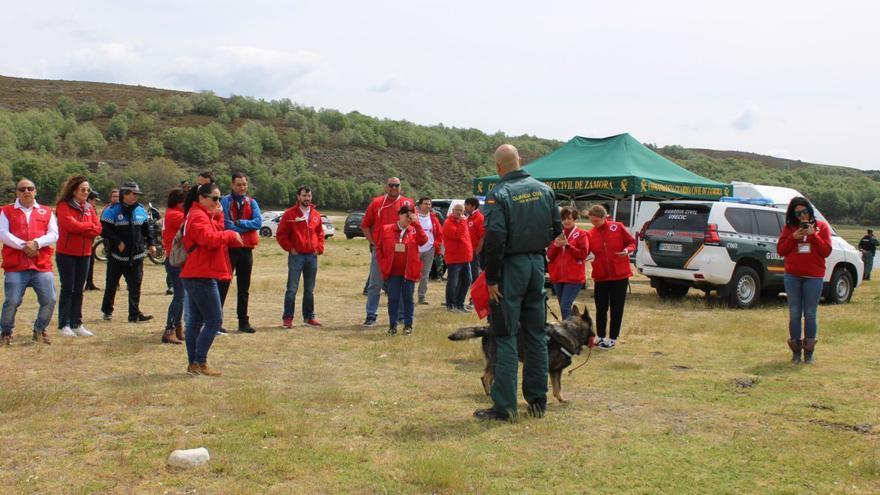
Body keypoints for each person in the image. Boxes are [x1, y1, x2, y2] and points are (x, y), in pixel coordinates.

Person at [475, 144, 561, 421]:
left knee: (506, 335)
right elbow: (556, 229)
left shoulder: (498, 194)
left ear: (498, 167)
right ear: (519, 161)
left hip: (510, 268)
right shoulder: (545, 190)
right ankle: (538, 402)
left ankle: (505, 407)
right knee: (536, 334)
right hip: (537, 264)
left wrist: (493, 277)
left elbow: (496, 238)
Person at [181, 183, 244, 376]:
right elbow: (208, 238)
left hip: (197, 272)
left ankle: (194, 363)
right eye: (215, 199)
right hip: (201, 274)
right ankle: (199, 361)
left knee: (195, 322)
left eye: (219, 199)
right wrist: (231, 234)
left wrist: (216, 216)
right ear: (201, 198)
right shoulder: (198, 216)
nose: (218, 203)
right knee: (214, 320)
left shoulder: (201, 214)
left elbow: (213, 232)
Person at [0, 178, 58, 345]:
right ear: (17, 192)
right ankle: (5, 331)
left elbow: (54, 234)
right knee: (12, 300)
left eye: (30, 188)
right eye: (22, 189)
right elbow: (2, 233)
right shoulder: (6, 211)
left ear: (35, 191)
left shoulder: (47, 211)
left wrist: (37, 243)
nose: (26, 191)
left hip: (41, 264)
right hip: (16, 265)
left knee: (50, 299)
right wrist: (24, 246)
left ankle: (40, 330)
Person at [777, 197, 832, 364]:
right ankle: (796, 353)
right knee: (794, 314)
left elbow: (826, 251)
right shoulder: (789, 228)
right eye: (798, 213)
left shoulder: (821, 227)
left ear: (810, 211)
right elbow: (781, 250)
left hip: (814, 277)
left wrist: (813, 236)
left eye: (804, 212)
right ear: (793, 215)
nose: (802, 216)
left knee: (810, 314)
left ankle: (809, 353)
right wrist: (793, 237)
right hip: (793, 276)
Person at [360, 177, 413, 326]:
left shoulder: (408, 203)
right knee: (375, 284)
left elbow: (413, 225)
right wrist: (374, 243)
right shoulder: (377, 203)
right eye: (391, 185)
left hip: (402, 251)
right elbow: (365, 225)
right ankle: (371, 315)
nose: (394, 188)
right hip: (382, 251)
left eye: (396, 185)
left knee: (402, 283)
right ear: (386, 187)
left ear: (401, 187)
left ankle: (402, 316)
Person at [55, 175, 102, 337]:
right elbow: (70, 225)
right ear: (74, 190)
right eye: (83, 189)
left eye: (88, 190)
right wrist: (88, 227)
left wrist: (85, 227)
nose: (86, 192)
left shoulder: (89, 207)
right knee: (68, 288)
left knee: (79, 290)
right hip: (67, 253)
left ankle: (77, 323)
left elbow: (98, 228)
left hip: (85, 253)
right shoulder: (63, 206)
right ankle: (64, 324)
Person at [100, 181, 155, 323]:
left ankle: (134, 314)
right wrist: (118, 242)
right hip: (117, 257)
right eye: (133, 194)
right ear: (124, 194)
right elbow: (105, 230)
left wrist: (151, 243)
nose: (136, 197)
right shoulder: (111, 211)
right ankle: (107, 311)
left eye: (137, 194)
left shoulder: (140, 210)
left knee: (135, 286)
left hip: (136, 257)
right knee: (111, 285)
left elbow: (146, 229)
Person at [586, 204, 635, 350]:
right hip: (601, 275)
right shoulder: (590, 234)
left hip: (619, 274)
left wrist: (627, 250)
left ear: (603, 218)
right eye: (591, 221)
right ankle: (600, 336)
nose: (593, 224)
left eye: (596, 221)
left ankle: (613, 338)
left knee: (616, 307)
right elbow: (585, 251)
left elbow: (632, 242)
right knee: (601, 307)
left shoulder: (617, 227)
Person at [219, 172, 262, 334]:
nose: (242, 187)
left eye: (244, 184)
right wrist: (245, 227)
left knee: (244, 288)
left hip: (246, 250)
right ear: (232, 185)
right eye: (239, 184)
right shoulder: (224, 201)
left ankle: (243, 322)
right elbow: (226, 225)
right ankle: (216, 321)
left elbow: (258, 222)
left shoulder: (252, 202)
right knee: (222, 285)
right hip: (229, 249)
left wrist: (241, 223)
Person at [276, 186, 324, 329]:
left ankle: (309, 317)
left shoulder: (315, 214)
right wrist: (290, 248)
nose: (307, 198)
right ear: (298, 197)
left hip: (312, 256)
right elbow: (281, 234)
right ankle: (288, 318)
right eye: (304, 196)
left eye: (309, 196)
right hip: (296, 256)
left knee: (309, 289)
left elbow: (320, 233)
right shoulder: (290, 214)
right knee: (292, 288)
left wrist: (319, 248)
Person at [375, 204, 427, 335]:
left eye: (411, 216)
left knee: (408, 299)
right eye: (406, 215)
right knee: (393, 299)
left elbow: (424, 241)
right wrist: (383, 264)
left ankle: (408, 325)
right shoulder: (387, 229)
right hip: (393, 272)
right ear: (399, 215)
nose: (408, 219)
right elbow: (379, 248)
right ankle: (392, 325)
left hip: (409, 272)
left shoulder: (414, 231)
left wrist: (417, 224)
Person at [547, 206, 589, 320]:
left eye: (569, 218)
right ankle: (572, 327)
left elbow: (583, 254)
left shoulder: (581, 234)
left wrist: (568, 246)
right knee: (563, 306)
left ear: (574, 219)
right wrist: (556, 246)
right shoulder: (557, 234)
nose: (566, 221)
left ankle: (568, 331)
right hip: (558, 276)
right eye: (564, 219)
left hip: (574, 277)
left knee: (565, 305)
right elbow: (549, 256)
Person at [160, 188, 186, 345]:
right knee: (179, 297)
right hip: (175, 260)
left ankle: (176, 327)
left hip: (172, 258)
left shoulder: (170, 213)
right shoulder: (176, 215)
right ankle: (170, 329)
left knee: (180, 297)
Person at [442, 203, 472, 312]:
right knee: (453, 283)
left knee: (467, 281)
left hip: (465, 258)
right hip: (454, 258)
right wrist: (464, 222)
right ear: (453, 210)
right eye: (457, 210)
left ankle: (460, 304)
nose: (459, 212)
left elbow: (467, 239)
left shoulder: (462, 222)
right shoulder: (448, 223)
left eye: (461, 210)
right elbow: (458, 236)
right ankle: (451, 305)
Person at [415, 197, 442, 305]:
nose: (428, 206)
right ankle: (407, 296)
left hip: (429, 250)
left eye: (429, 204)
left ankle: (421, 297)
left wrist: (436, 245)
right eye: (425, 204)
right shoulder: (414, 217)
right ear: (420, 205)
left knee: (425, 275)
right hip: (415, 250)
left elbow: (440, 233)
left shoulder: (433, 218)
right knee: (411, 274)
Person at [84, 190, 102, 291]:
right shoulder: (86, 209)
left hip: (91, 240)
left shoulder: (92, 209)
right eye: (95, 200)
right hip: (86, 241)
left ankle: (90, 283)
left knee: (91, 263)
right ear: (89, 199)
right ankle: (86, 283)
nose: (96, 202)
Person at [465, 197, 485, 281]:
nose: (465, 207)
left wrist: (477, 251)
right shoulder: (468, 217)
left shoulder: (479, 218)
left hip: (474, 250)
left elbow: (482, 236)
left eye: (467, 205)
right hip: (468, 249)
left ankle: (475, 288)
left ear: (473, 206)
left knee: (474, 272)